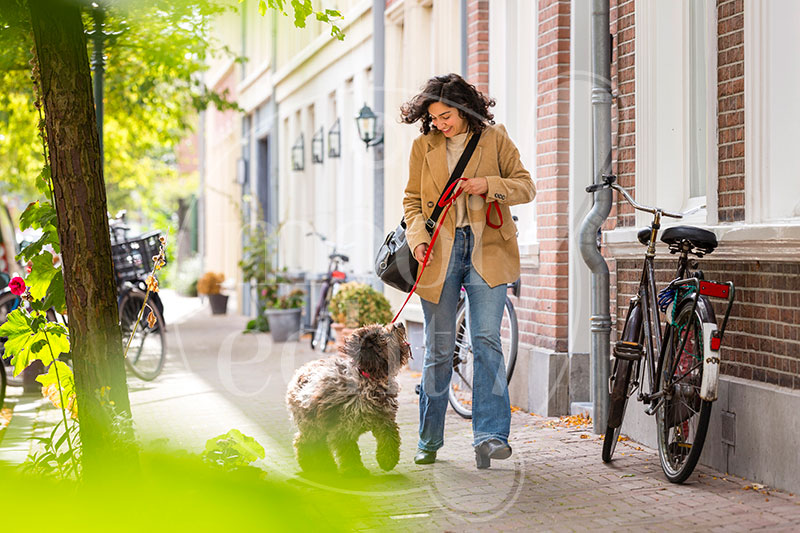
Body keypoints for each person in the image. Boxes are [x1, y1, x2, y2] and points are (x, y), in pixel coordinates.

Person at [400, 73, 535, 469]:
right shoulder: (422, 147)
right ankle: (428, 437)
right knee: (439, 349)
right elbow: (411, 201)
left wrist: (486, 184)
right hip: (438, 253)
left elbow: (526, 187)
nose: (440, 124)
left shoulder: (495, 139)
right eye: (434, 118)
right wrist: (417, 238)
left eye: (446, 116)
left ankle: (491, 437)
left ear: (463, 108)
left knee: (487, 340)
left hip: (487, 249)